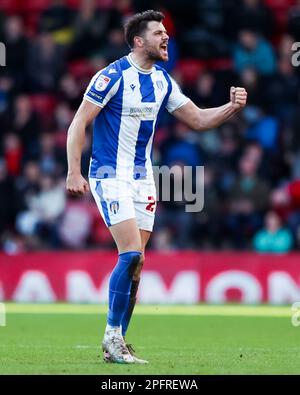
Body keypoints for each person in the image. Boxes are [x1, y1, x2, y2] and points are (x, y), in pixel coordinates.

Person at [66, 10, 247, 364]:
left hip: (143, 179)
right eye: (158, 33)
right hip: (109, 174)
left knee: (137, 266)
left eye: (167, 32)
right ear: (138, 41)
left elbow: (197, 118)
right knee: (130, 254)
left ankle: (117, 344)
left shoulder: (163, 81)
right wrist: (74, 171)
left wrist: (231, 107)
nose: (166, 37)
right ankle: (112, 338)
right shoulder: (111, 76)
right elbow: (78, 123)